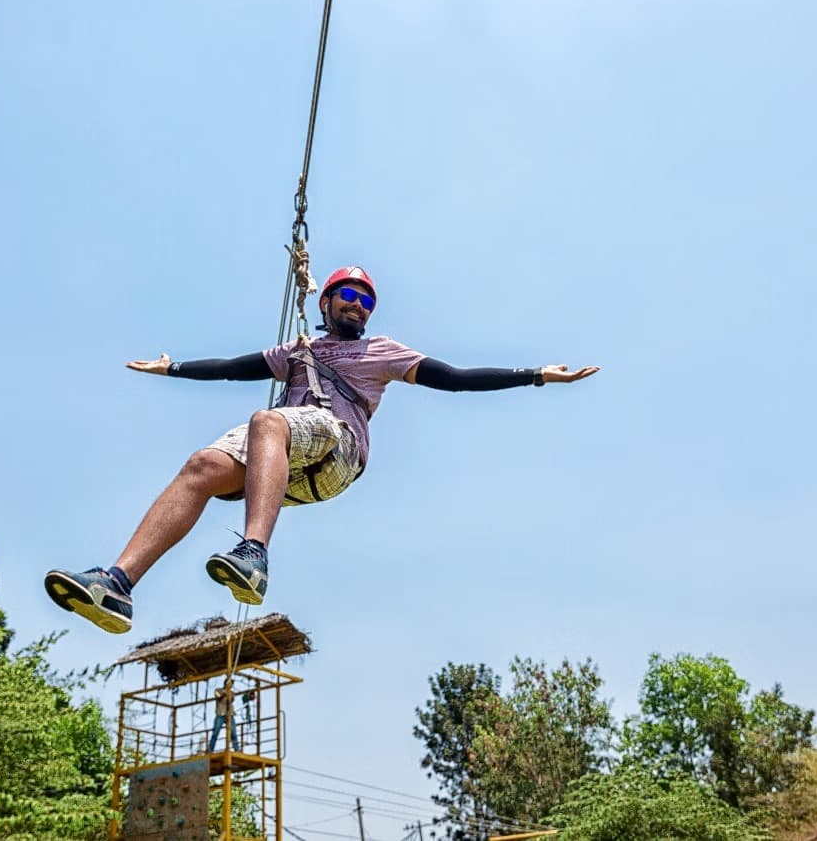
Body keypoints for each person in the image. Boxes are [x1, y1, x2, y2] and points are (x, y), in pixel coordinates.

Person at [44, 266, 598, 633]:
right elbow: (233, 367)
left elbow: (453, 378)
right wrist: (173, 368)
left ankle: (254, 554)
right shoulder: (297, 351)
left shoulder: (382, 351)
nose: (359, 306)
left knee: (268, 421)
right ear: (326, 302)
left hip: (337, 449)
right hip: (284, 460)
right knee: (202, 465)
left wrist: (535, 375)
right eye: (349, 297)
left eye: (367, 301)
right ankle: (117, 585)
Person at [208, 681, 239, 753]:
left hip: (230, 714)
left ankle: (236, 749)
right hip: (220, 714)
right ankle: (210, 749)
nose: (230, 686)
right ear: (225, 683)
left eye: (231, 685)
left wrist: (228, 695)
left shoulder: (231, 693)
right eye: (229, 684)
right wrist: (224, 694)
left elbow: (231, 700)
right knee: (215, 732)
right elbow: (218, 698)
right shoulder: (218, 690)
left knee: (233, 733)